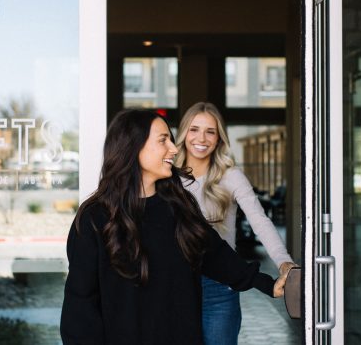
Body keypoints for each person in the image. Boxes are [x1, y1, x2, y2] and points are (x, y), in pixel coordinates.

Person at [60, 109, 289, 345]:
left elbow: (215, 255)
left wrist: (268, 284)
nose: (174, 148)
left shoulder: (178, 207)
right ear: (133, 146)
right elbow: (80, 307)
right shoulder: (94, 219)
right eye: (163, 140)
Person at [175, 102, 298, 345]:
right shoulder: (167, 178)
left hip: (221, 287)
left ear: (219, 137)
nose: (202, 138)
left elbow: (260, 222)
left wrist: (284, 263)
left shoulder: (231, 176)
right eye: (194, 129)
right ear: (183, 133)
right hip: (176, 285)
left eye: (210, 131)